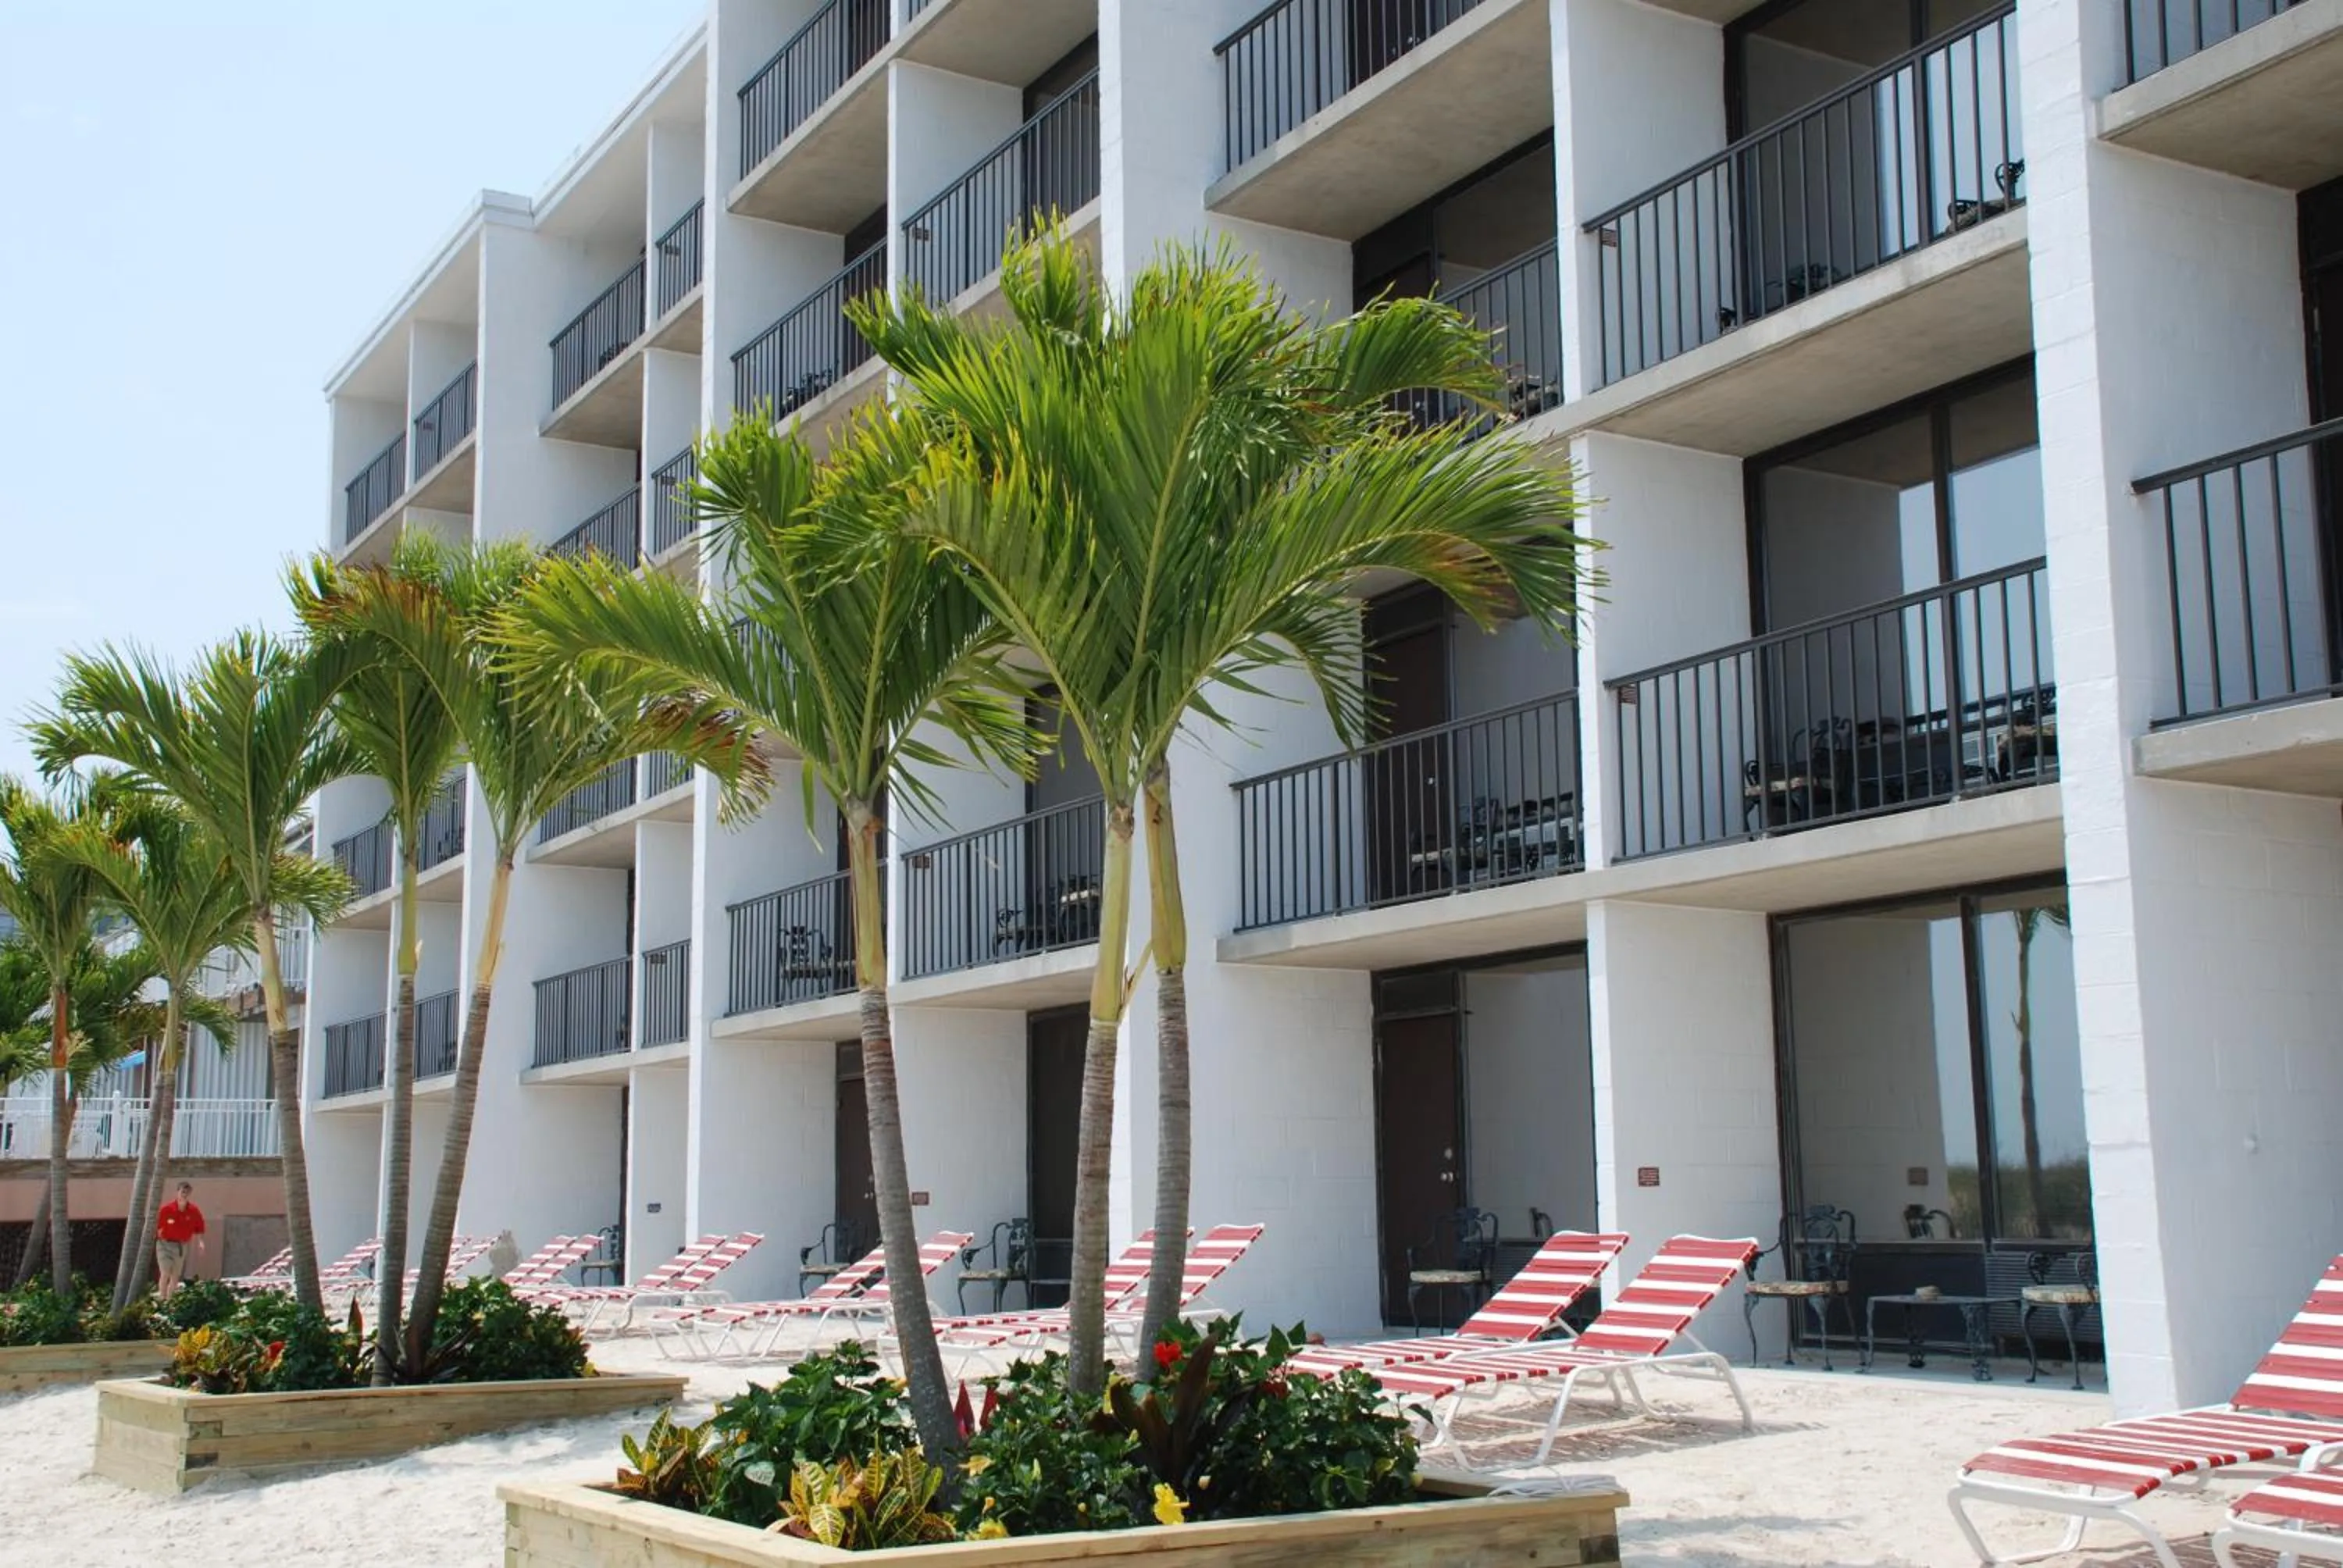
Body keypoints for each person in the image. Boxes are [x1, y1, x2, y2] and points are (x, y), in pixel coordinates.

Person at [155, 1181, 206, 1299]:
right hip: (165, 1245)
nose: (185, 1195)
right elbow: (157, 1226)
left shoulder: (193, 1211)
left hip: (181, 1246)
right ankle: (162, 1298)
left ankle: (170, 1299)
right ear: (177, 1192)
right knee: (165, 1272)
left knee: (175, 1275)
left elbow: (200, 1228)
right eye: (183, 1192)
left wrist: (201, 1242)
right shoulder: (167, 1209)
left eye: (187, 1193)